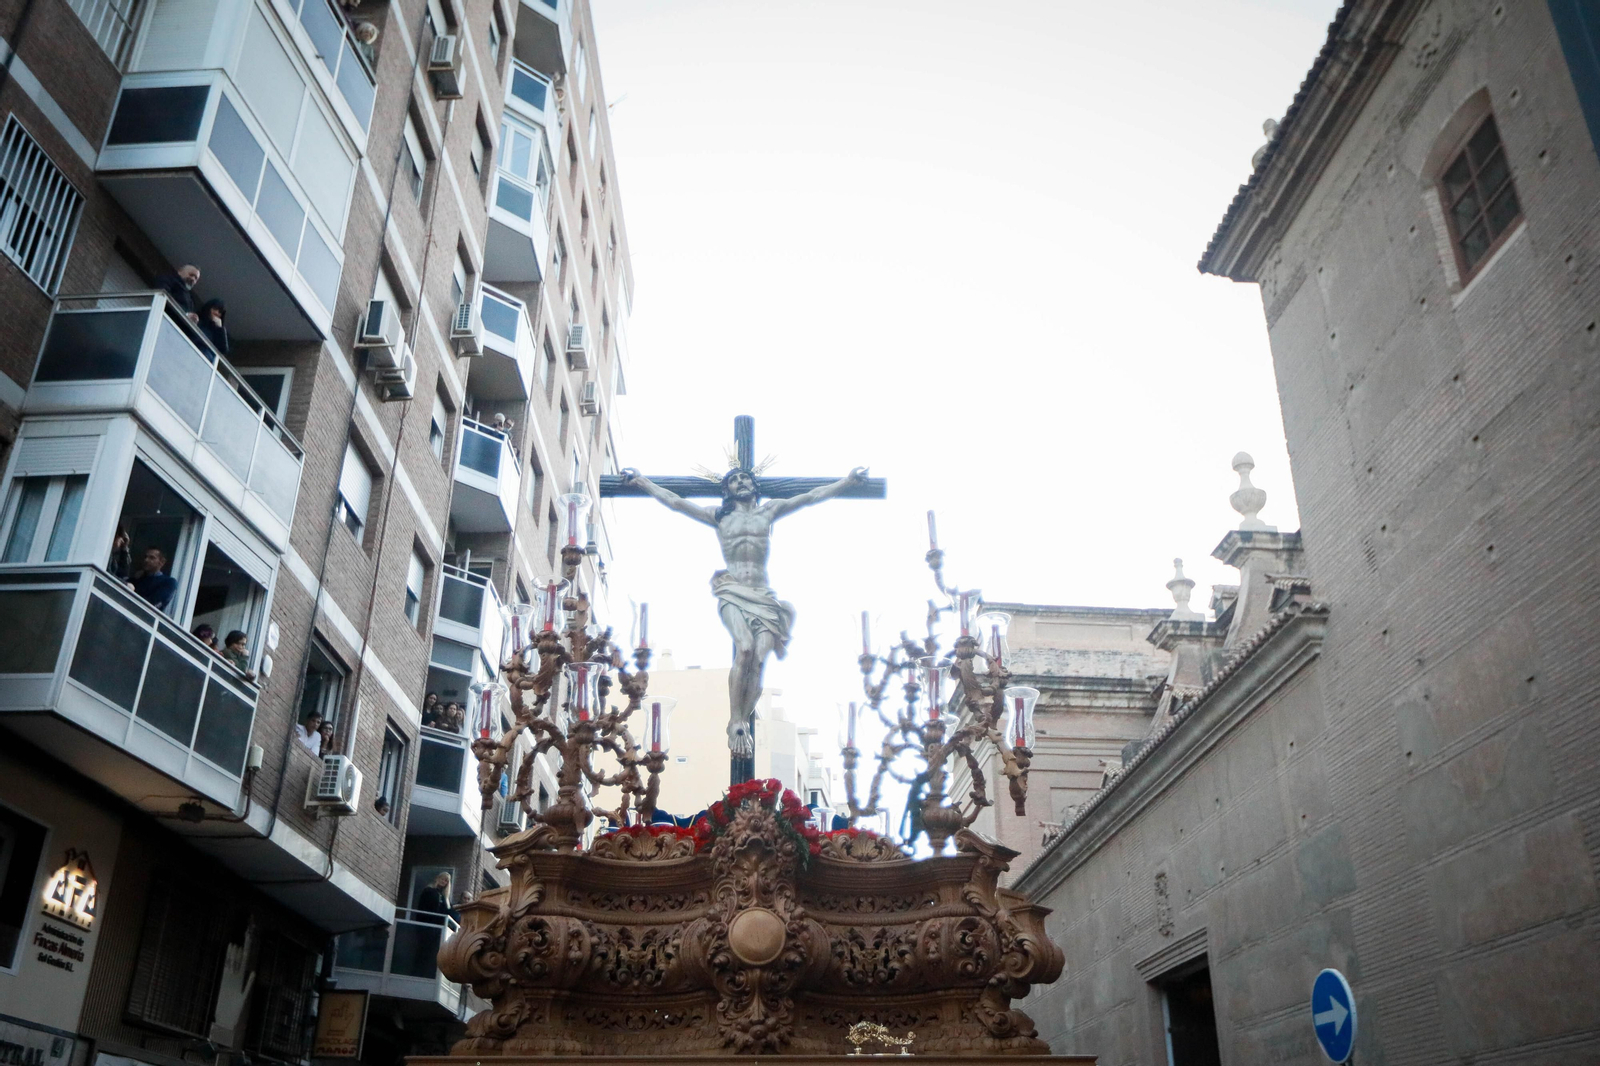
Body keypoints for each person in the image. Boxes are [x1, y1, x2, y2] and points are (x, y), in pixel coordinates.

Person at [131, 547, 178, 613]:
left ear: (162, 562)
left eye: (152, 558)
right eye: (145, 557)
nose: (146, 560)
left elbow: (152, 605)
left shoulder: (168, 582)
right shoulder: (138, 578)